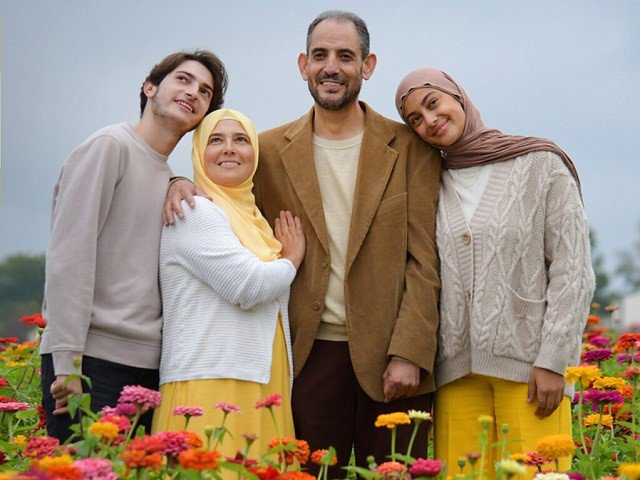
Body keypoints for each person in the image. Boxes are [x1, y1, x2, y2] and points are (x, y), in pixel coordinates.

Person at [166, 11, 441, 475]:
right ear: (303, 65)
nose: (331, 67)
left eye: (345, 56)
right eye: (320, 56)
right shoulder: (268, 151)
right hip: (306, 360)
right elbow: (222, 183)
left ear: (368, 65)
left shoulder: (409, 146)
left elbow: (425, 259)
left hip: (393, 361)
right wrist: (174, 180)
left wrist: (409, 352)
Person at [395, 67, 595, 474]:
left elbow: (573, 270)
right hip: (455, 376)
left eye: (433, 104)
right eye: (415, 119)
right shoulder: (430, 179)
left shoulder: (540, 165)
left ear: (458, 97)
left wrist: (555, 360)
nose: (429, 121)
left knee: (543, 474)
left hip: (531, 372)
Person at [39, 50, 228, 441]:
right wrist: (68, 363)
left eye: (205, 91)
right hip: (91, 363)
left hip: (151, 367)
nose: (193, 92)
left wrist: (177, 180)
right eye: (183, 80)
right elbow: (69, 258)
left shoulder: (171, 179)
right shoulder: (110, 146)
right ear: (150, 88)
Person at [152, 109, 305, 461]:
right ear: (198, 152)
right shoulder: (194, 211)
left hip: (258, 381)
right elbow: (247, 286)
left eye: (241, 140)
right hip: (211, 382)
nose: (229, 149)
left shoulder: (256, 221)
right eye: (215, 140)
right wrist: (292, 258)